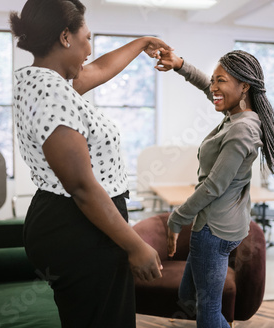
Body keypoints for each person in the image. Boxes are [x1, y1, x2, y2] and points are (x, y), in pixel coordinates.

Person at [9, 1, 172, 327]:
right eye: (88, 38)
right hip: (81, 226)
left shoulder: (37, 80)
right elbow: (82, 187)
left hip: (63, 218)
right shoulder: (52, 92)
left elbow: (97, 70)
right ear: (65, 37)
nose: (90, 49)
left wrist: (142, 42)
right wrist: (135, 244)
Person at [155, 49, 274, 328]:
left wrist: (176, 219)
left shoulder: (241, 129)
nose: (214, 88)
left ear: (244, 86)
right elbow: (210, 90)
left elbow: (213, 186)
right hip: (222, 225)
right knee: (189, 297)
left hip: (213, 230)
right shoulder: (238, 113)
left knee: (206, 312)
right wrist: (180, 65)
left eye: (221, 81)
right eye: (213, 80)